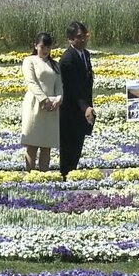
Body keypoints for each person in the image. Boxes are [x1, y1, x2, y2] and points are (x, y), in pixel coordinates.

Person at [58, 21, 96, 179]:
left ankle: (71, 175)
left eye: (85, 36)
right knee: (69, 147)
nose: (83, 40)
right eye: (79, 37)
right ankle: (65, 176)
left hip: (83, 108)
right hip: (70, 110)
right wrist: (85, 108)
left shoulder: (85, 54)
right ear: (70, 39)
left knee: (78, 145)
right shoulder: (67, 59)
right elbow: (72, 88)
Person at [21, 32, 63, 171]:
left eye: (48, 48)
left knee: (46, 145)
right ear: (36, 46)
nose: (45, 51)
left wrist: (58, 99)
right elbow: (31, 82)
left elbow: (59, 84)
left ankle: (44, 175)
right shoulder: (29, 61)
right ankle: (30, 175)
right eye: (42, 47)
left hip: (51, 107)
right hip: (35, 104)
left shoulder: (55, 65)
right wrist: (43, 99)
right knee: (32, 143)